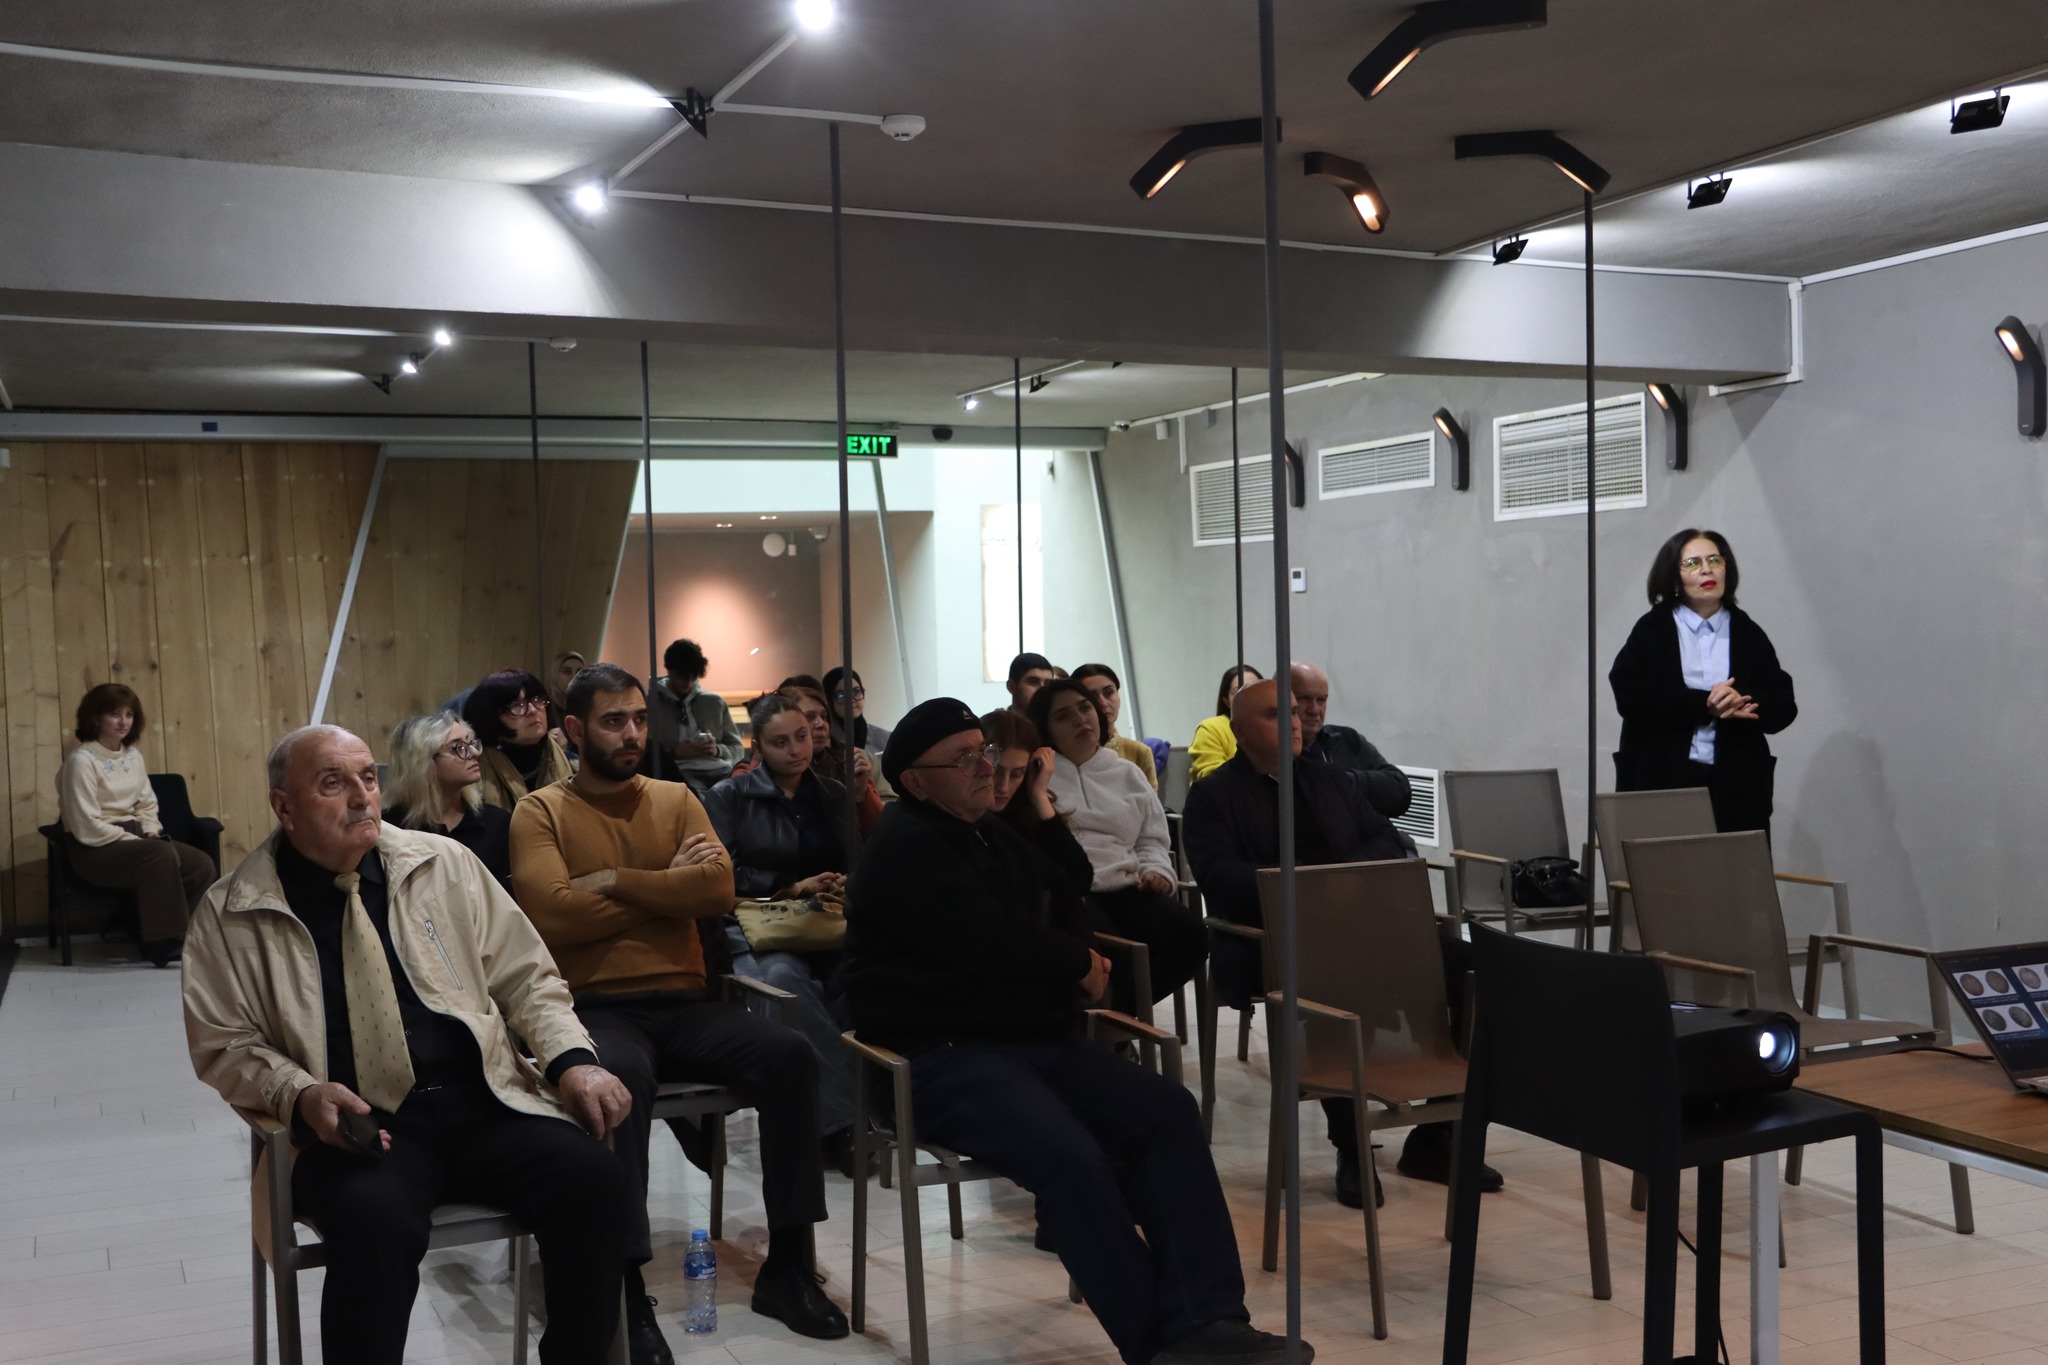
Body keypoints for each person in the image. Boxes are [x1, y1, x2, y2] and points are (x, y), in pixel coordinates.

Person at [845, 699, 1309, 1365]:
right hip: (940, 1055)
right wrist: (1076, 962)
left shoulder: (984, 828)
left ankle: (1207, 1320)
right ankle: (1160, 1346)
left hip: (1030, 1040)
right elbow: (992, 939)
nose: (985, 767)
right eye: (965, 759)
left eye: (984, 751)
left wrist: (1039, 807)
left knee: (1166, 1111)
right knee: (1070, 1159)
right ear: (916, 782)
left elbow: (1071, 881)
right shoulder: (907, 845)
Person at [182, 725, 634, 1365]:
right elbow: (223, 1043)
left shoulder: (443, 864)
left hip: (486, 1099)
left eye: (368, 778)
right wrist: (300, 1094)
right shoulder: (232, 911)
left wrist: (574, 1061)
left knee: (594, 1180)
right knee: (374, 1222)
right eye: (333, 784)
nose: (361, 798)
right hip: (356, 1129)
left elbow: (527, 978)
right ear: (284, 807)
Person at [509, 664, 847, 1350]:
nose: (632, 732)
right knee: (617, 1080)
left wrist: (611, 880)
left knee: (789, 1054)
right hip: (596, 1008)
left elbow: (716, 891)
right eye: (613, 721)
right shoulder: (540, 811)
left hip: (688, 1003)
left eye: (639, 718)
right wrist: (668, 885)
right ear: (574, 729)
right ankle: (625, 1283)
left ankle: (788, 1264)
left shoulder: (676, 797)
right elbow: (554, 915)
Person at [1181, 680, 1498, 1208]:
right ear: (1238, 731)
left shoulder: (1327, 778)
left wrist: (1345, 877)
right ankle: (1352, 1147)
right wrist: (1318, 884)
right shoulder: (1213, 797)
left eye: (1295, 713)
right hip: (1276, 939)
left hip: (1364, 925)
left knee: (1478, 971)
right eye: (1275, 715)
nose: (1295, 722)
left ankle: (1437, 1134)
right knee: (1340, 980)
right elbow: (1223, 881)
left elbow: (1388, 839)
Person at [702, 693, 863, 1172]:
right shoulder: (729, 795)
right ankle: (847, 1125)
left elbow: (856, 859)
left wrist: (838, 882)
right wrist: (788, 885)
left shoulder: (831, 792)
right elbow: (719, 874)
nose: (796, 750)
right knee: (783, 981)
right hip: (759, 924)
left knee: (863, 977)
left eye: (801, 737)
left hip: (824, 919)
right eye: (780, 742)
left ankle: (836, 1116)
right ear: (757, 746)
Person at [1030, 679, 1205, 1015]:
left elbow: (1151, 839)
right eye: (1063, 716)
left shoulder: (1127, 773)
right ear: (1046, 730)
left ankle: (1119, 1018)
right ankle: (1112, 1024)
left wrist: (1156, 871)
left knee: (1190, 934)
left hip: (1128, 886)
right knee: (1114, 951)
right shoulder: (1039, 776)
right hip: (1074, 891)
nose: (1080, 719)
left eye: (1084, 708)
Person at [1610, 529, 1797, 835]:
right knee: (1664, 866)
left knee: (1734, 866)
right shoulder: (1652, 629)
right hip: (1662, 780)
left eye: (1714, 560)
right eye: (1693, 563)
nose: (1707, 570)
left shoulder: (1748, 632)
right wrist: (1704, 704)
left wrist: (1742, 699)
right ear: (1674, 579)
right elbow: (1630, 696)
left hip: (1736, 786)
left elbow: (1784, 705)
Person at [55, 683, 216, 966]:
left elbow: (146, 805)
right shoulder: (81, 761)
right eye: (114, 714)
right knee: (159, 854)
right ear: (95, 718)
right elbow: (85, 824)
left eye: (129, 715)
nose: (123, 722)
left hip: (138, 840)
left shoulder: (133, 756)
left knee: (200, 864)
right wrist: (136, 841)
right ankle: (163, 943)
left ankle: (185, 937)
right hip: (93, 847)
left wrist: (150, 831)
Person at [381, 712, 512, 890]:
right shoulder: (389, 829)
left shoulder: (497, 823)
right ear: (422, 762)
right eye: (458, 747)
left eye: (470, 743)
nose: (474, 753)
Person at [1288, 661, 1411, 820]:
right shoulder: (1272, 752)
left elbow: (1400, 791)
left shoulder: (1347, 739)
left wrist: (1336, 782)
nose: (1315, 710)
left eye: (1322, 700)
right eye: (1304, 699)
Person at [646, 638, 745, 798]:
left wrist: (717, 750)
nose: (688, 682)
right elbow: (644, 754)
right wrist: (673, 753)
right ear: (669, 670)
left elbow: (738, 749)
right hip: (678, 773)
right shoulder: (650, 705)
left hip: (719, 770)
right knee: (695, 799)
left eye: (693, 676)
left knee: (741, 794)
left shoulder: (714, 703)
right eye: (682, 675)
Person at [463, 669, 573, 811]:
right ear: (490, 717)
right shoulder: (473, 774)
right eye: (517, 705)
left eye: (537, 700)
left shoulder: (573, 765)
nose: (533, 710)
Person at [784, 684, 883, 836]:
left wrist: (861, 792)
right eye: (809, 717)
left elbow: (880, 830)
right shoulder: (768, 773)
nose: (821, 724)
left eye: (824, 717)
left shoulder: (848, 762)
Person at [1072, 662, 1159, 792]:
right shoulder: (1069, 752)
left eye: (1109, 693)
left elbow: (1151, 803)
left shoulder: (1138, 751)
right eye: (1092, 696)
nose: (1103, 703)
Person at [1188, 664, 1263, 781]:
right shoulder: (1211, 728)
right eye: (1238, 691)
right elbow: (1213, 780)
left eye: (1256, 689)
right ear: (1226, 701)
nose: (1249, 696)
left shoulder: (1275, 727)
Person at [822, 665, 892, 754]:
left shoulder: (884, 738)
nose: (851, 699)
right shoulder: (824, 741)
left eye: (856, 691)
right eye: (842, 695)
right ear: (829, 700)